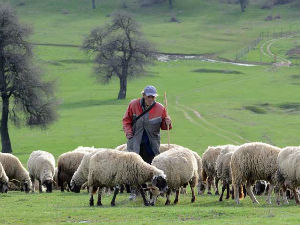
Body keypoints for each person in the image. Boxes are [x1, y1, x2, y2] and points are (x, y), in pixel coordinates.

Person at [122, 85, 172, 164]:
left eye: (153, 97)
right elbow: (126, 121)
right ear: (144, 95)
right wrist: (129, 133)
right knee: (135, 165)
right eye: (149, 96)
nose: (151, 99)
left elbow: (164, 127)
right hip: (135, 142)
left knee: (152, 166)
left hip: (152, 145)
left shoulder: (161, 108)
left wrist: (168, 123)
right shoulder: (133, 105)